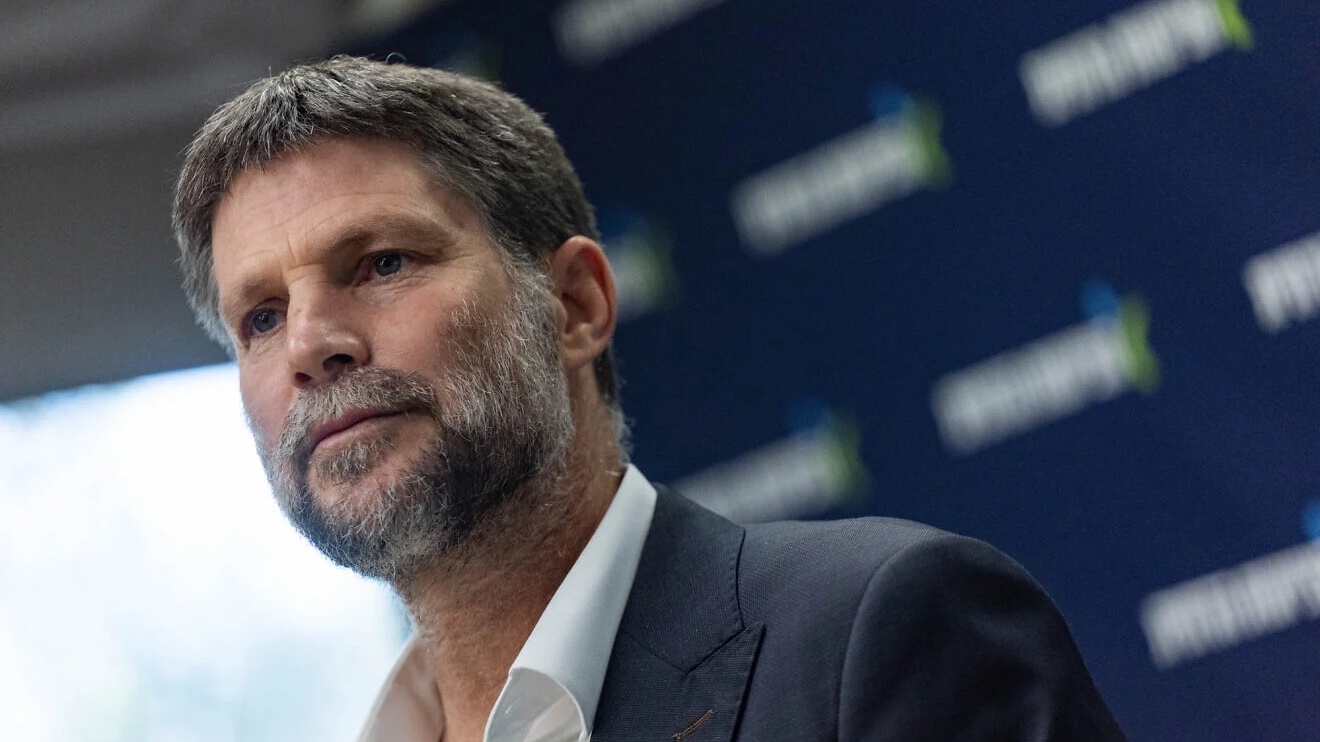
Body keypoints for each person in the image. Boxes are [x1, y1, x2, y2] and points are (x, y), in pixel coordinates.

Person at [172, 56, 1127, 742]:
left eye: (381, 263)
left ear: (576, 305)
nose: (308, 345)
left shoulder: (880, 631)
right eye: (259, 318)